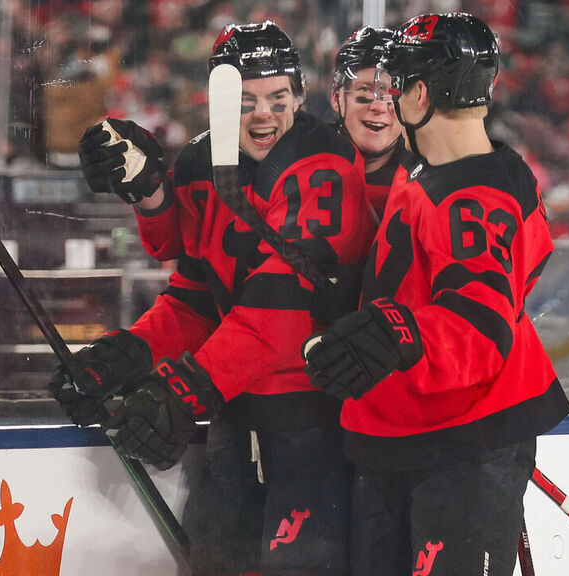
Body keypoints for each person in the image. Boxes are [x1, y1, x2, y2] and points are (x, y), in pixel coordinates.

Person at [51, 21, 377, 576]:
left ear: (301, 97)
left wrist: (183, 390)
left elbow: (281, 315)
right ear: (217, 104)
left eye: (278, 98)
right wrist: (126, 356)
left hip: (313, 427)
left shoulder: (324, 163)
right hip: (234, 420)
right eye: (245, 100)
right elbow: (197, 300)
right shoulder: (202, 164)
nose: (264, 114)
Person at [302, 13, 569, 576]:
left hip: (458, 448)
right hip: (410, 436)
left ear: (421, 93)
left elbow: (479, 328)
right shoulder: (461, 169)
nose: (389, 101)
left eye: (397, 87)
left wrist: (397, 333)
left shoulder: (469, 197)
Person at [330, 25, 408, 219]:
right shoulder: (301, 161)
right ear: (336, 98)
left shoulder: (424, 179)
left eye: (391, 93)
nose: (379, 106)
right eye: (365, 89)